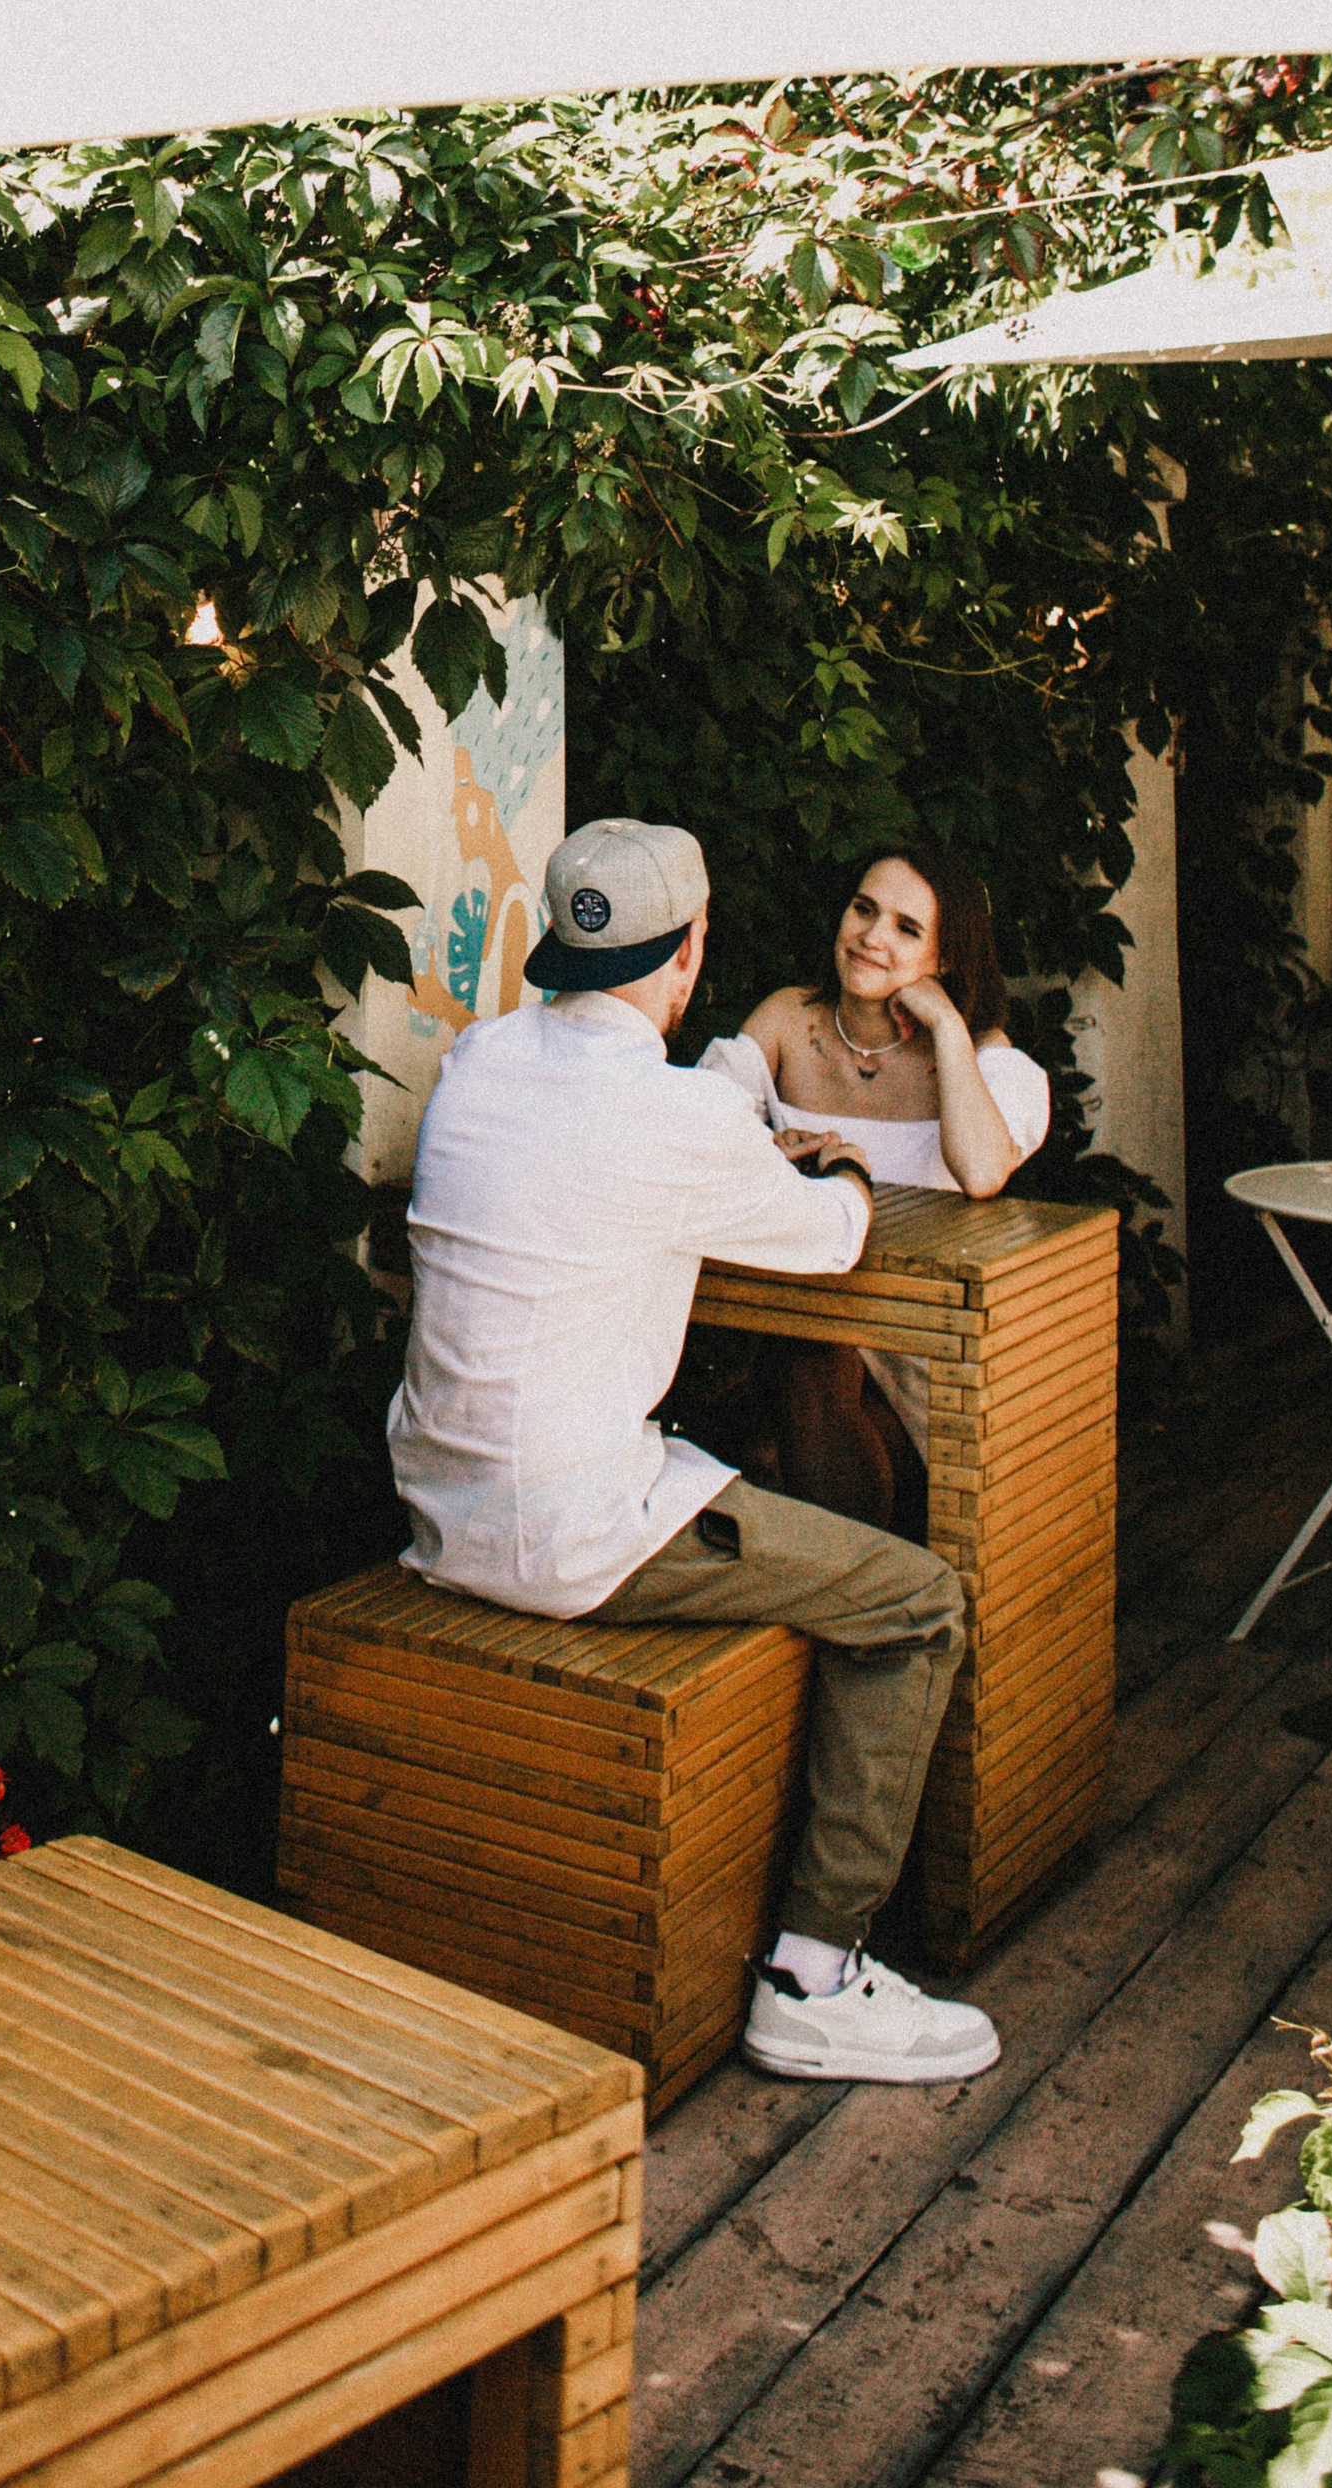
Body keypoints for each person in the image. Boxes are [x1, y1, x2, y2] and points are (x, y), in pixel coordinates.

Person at [388, 817, 1001, 2087]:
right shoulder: (672, 1115)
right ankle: (813, 1977)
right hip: (571, 1537)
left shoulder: (477, 1063)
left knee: (746, 1468)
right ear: (691, 952)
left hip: (435, 1509)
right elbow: (835, 1236)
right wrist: (825, 1163)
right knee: (915, 1600)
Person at [700, 845, 1051, 1530]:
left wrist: (948, 1025)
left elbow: (982, 1172)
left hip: (926, 1353)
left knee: (810, 1366)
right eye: (864, 909)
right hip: (803, 1321)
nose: (871, 936)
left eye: (906, 928)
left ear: (944, 959)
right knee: (807, 1356)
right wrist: (762, 1148)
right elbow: (699, 1143)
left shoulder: (981, 1056)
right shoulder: (784, 1021)